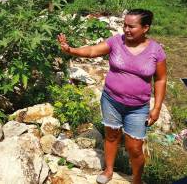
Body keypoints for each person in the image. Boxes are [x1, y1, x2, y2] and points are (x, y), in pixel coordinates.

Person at [57, 9, 167, 184]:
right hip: (111, 101)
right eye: (124, 25)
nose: (126, 30)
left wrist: (157, 107)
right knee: (111, 136)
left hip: (138, 107)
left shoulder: (156, 51)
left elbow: (160, 79)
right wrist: (70, 50)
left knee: (135, 148)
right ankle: (108, 170)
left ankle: (137, 179)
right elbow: (93, 50)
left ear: (145, 28)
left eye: (131, 26)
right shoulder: (117, 42)